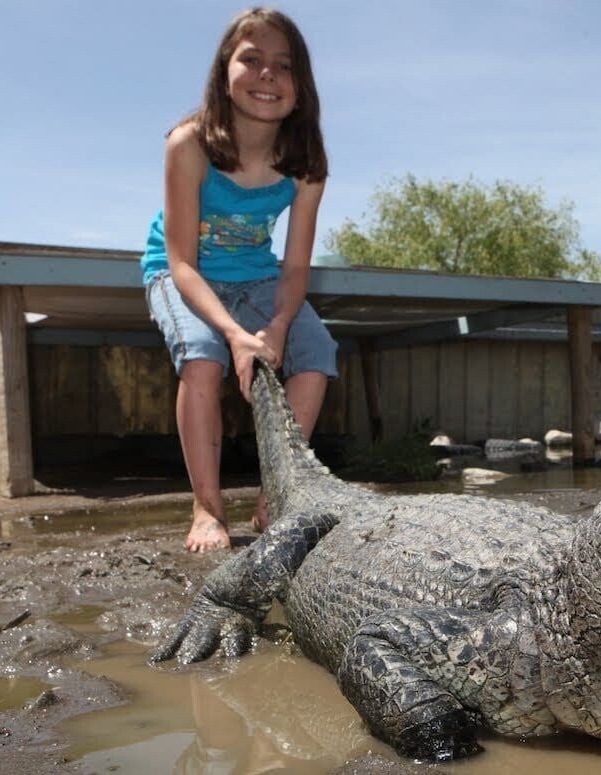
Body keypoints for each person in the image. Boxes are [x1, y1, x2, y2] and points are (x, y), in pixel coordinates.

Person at [140, 7, 337, 553]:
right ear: (224, 69)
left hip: (258, 275)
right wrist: (233, 334)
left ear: (302, 86)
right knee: (203, 356)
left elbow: (296, 267)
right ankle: (207, 506)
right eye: (252, 60)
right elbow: (181, 263)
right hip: (183, 273)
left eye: (284, 65)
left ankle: (275, 500)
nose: (267, 75)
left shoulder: (308, 165)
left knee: (316, 351)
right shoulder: (189, 144)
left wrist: (275, 326)